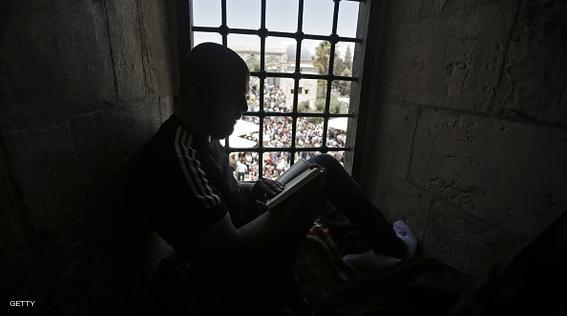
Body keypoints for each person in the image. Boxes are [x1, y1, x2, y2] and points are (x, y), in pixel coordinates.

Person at [131, 43, 417, 315]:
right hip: (247, 271)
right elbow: (232, 248)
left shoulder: (198, 136)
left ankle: (364, 246)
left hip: (248, 221)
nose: (244, 107)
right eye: (235, 96)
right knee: (320, 175)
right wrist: (296, 200)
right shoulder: (179, 154)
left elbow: (215, 198)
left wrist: (254, 189)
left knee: (318, 164)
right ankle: (391, 249)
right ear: (199, 95)